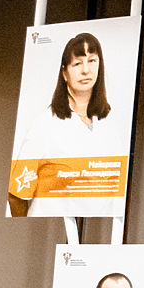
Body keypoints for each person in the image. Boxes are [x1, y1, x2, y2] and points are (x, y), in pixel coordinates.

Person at [8, 32, 122, 217]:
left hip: (98, 229)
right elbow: (16, 194)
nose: (86, 70)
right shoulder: (44, 126)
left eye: (92, 61)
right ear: (64, 73)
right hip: (52, 230)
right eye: (77, 63)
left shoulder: (109, 124)